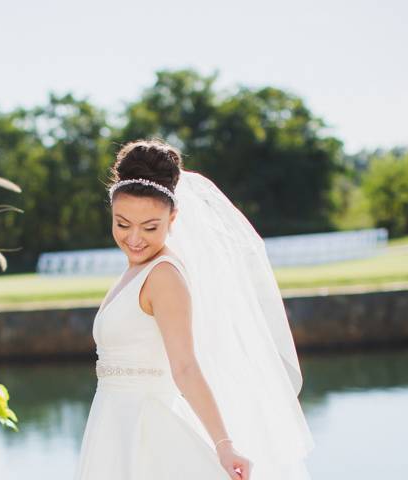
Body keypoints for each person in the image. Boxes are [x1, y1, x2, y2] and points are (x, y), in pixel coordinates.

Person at [74, 139, 315, 480]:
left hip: (146, 429)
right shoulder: (136, 269)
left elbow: (185, 366)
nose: (135, 238)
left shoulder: (164, 275)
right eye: (123, 224)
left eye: (150, 227)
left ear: (173, 218)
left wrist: (224, 444)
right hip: (115, 421)